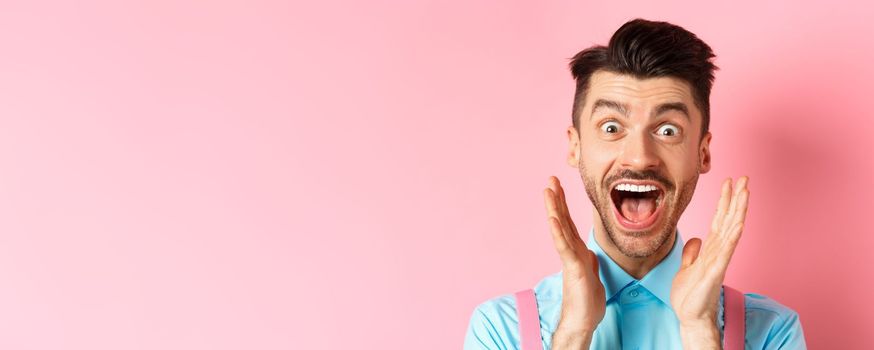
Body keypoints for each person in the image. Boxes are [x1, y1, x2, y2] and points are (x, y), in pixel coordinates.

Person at [463, 18, 807, 349]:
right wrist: (572, 333)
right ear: (576, 146)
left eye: (668, 130)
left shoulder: (771, 333)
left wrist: (701, 331)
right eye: (612, 127)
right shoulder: (500, 329)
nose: (640, 158)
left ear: (702, 154)